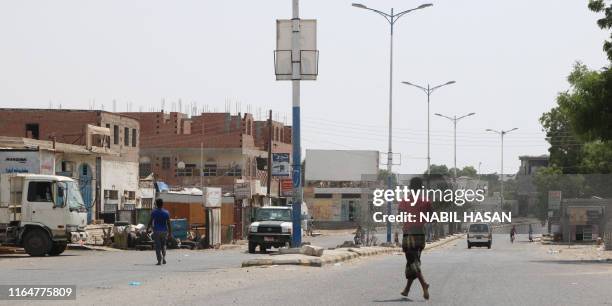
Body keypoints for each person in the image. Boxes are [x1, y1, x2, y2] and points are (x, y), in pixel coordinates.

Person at [398, 177, 431, 300]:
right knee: (413, 262)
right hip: (421, 233)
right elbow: (431, 217)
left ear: (410, 188)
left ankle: (424, 285)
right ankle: (407, 289)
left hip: (409, 233)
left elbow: (400, 214)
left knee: (412, 262)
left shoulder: (405, 200)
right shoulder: (426, 201)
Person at [147, 199, 172, 265]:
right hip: (164, 231)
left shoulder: (154, 212)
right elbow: (169, 223)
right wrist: (170, 233)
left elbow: (150, 221)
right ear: (162, 204)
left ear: (156, 204)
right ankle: (164, 258)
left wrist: (147, 229)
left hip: (156, 231)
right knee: (164, 245)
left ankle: (159, 260)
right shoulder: (166, 212)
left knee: (158, 246)